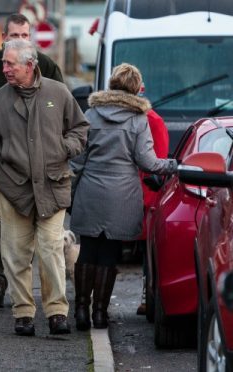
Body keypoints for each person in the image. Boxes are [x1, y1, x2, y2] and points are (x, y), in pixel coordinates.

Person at [0, 39, 89, 336]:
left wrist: (65, 148)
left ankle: (57, 312)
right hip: (14, 190)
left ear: (30, 65)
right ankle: (23, 312)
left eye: (10, 63)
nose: (4, 68)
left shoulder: (57, 92)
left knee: (51, 250)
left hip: (53, 186)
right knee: (15, 253)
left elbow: (80, 128)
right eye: (3, 63)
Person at [0, 13, 65, 309]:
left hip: (43, 166)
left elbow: (65, 112)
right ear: (3, 38)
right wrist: (1, 125)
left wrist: (60, 148)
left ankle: (53, 304)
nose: (20, 41)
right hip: (3, 161)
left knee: (47, 238)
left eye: (24, 36)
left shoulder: (46, 66)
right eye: (14, 36)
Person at [69, 63, 177, 331]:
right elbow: (148, 162)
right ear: (136, 87)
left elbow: (77, 160)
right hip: (121, 195)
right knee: (109, 254)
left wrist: (68, 191)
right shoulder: (138, 120)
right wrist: (174, 165)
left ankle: (80, 311)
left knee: (88, 250)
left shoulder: (91, 115)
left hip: (90, 191)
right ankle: (100, 314)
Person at [136, 99, 170, 315]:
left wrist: (148, 198)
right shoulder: (144, 117)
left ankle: (146, 295)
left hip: (144, 193)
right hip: (133, 192)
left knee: (147, 250)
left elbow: (156, 161)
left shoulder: (152, 120)